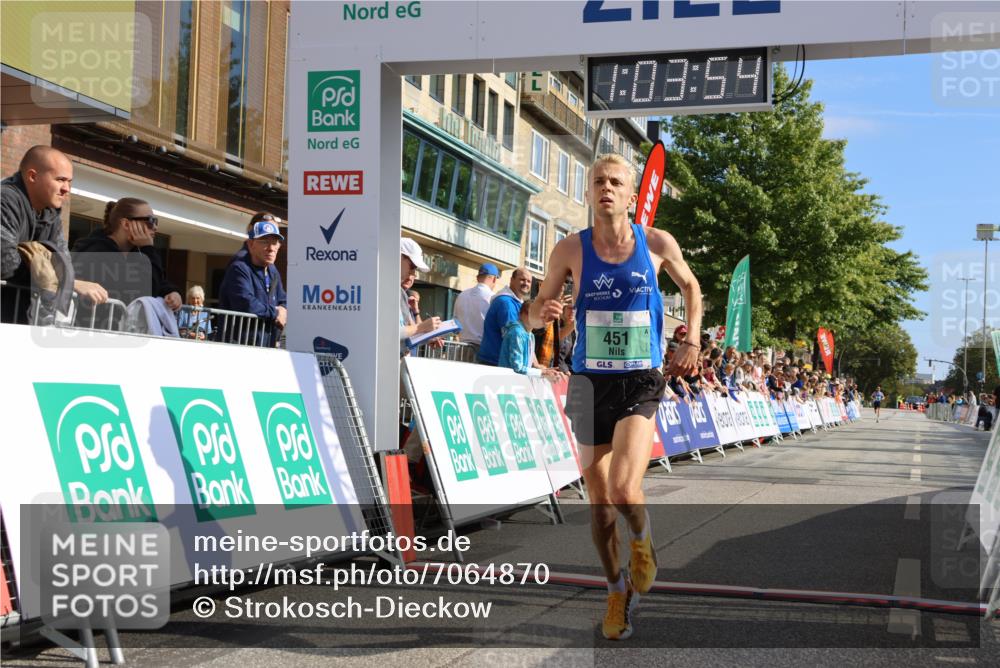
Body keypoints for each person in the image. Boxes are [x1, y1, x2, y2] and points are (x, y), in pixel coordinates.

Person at [529, 153, 703, 641]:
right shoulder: (567, 249)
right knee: (601, 507)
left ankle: (644, 542)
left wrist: (690, 340)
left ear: (631, 196)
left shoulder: (657, 243)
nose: (606, 188)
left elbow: (692, 288)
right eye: (598, 182)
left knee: (626, 490)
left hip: (641, 379)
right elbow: (537, 312)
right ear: (588, 193)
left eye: (616, 182)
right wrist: (541, 310)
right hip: (587, 383)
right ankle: (614, 590)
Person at [2, 145, 107, 323]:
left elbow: (63, 263)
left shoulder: (51, 214)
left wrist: (60, 278)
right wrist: (69, 284)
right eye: (60, 180)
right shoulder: (5, 199)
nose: (66, 188)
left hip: (18, 318)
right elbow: (4, 261)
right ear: (32, 176)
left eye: (69, 181)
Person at [72, 198, 182, 316]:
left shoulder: (135, 252)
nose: (155, 227)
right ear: (126, 224)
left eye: (156, 221)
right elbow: (145, 290)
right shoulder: (97, 252)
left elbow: (157, 281)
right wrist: (148, 249)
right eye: (150, 221)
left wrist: (171, 292)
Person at [218, 218, 287, 347]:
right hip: (237, 346)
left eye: (275, 242)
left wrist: (283, 309)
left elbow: (283, 299)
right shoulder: (239, 268)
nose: (271, 248)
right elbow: (246, 303)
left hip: (266, 345)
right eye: (265, 242)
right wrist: (275, 313)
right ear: (250, 244)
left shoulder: (272, 270)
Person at [477, 267, 533, 366]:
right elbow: (515, 338)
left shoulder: (517, 302)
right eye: (522, 279)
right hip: (494, 363)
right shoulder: (506, 303)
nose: (526, 283)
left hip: (500, 362)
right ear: (512, 280)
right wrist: (535, 365)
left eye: (529, 281)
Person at [498, 301, 564, 381]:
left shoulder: (530, 335)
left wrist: (549, 371)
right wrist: (542, 373)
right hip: (507, 382)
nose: (533, 317)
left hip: (518, 382)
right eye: (528, 312)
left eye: (537, 314)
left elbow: (534, 364)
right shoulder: (517, 333)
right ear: (520, 314)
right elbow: (517, 368)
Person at [399, 237, 442, 354]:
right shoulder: (389, 290)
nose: (413, 274)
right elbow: (392, 333)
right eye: (412, 266)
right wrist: (422, 327)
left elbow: (406, 331)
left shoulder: (399, 292)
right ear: (398, 257)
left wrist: (427, 336)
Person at [453, 263, 499, 357]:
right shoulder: (493, 297)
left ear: (478, 278)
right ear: (494, 279)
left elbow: (455, 325)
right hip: (482, 350)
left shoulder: (462, 295)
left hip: (462, 349)